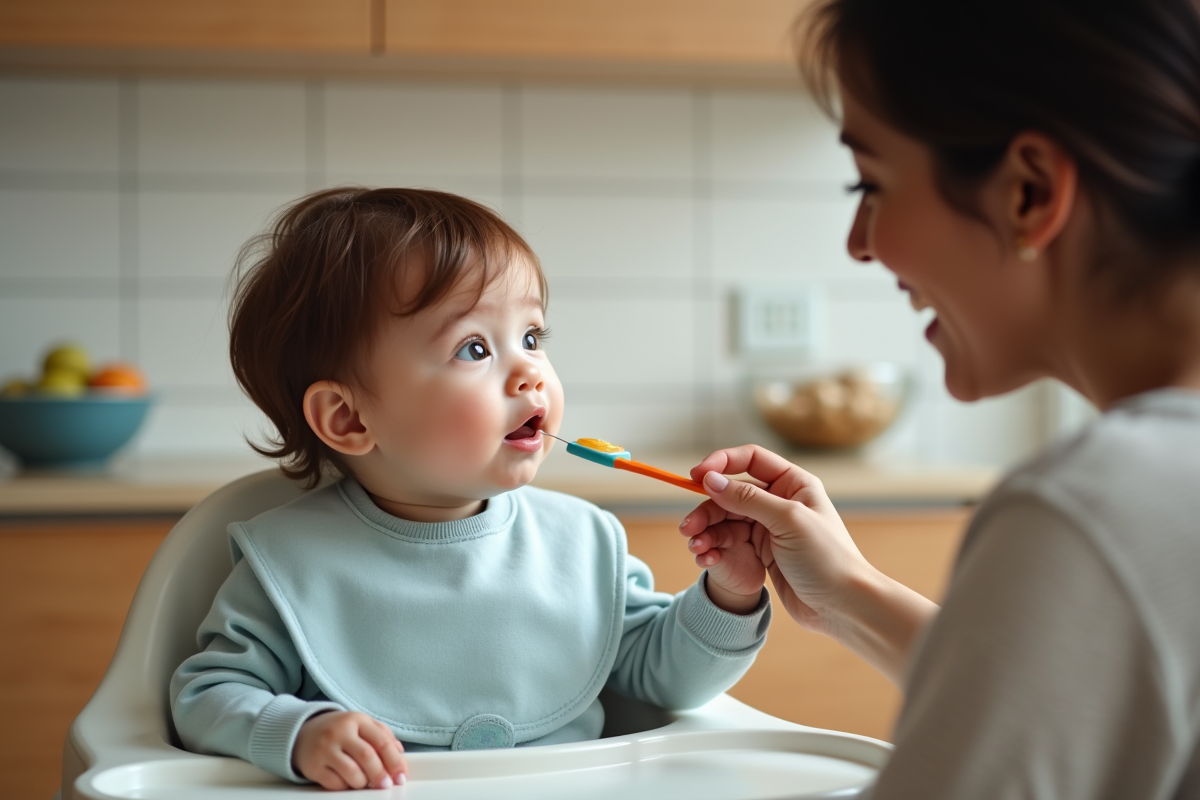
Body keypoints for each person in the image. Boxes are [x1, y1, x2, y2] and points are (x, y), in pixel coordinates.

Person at [679, 0, 1200, 797]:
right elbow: (1064, 704)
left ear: (1029, 192)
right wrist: (850, 593)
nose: (860, 242)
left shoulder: (1097, 507)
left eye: (873, 182)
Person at [170, 188, 771, 791]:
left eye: (532, 337)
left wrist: (729, 596)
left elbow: (664, 679)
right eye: (474, 348)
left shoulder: (579, 542)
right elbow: (207, 695)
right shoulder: (290, 558)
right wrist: (296, 734)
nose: (530, 371)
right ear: (349, 419)